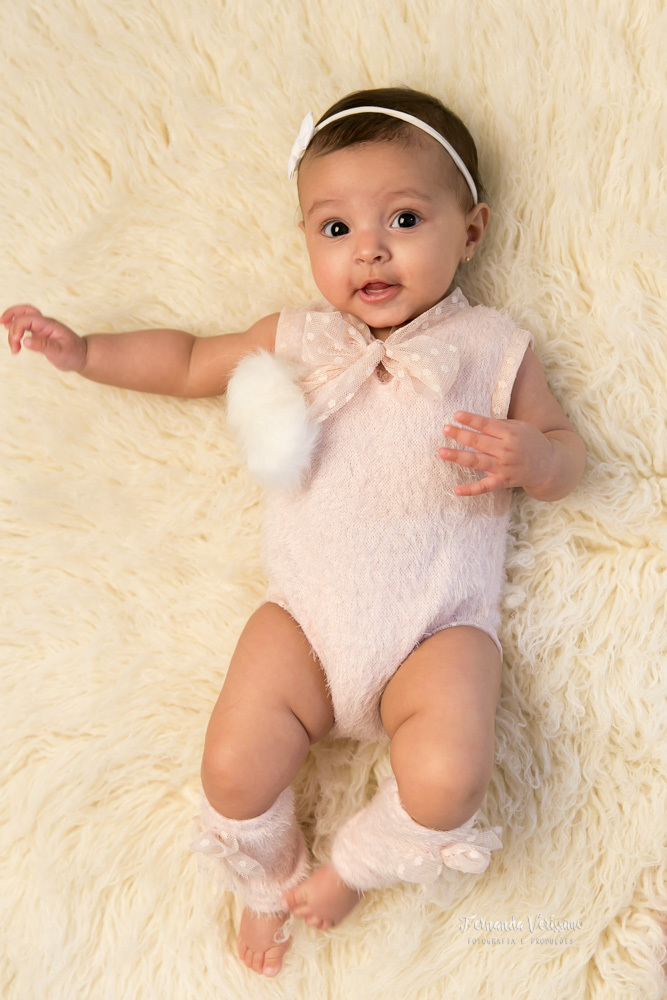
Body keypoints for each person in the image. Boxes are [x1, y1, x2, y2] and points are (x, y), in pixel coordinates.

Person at [3, 86, 586, 978]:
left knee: (449, 778)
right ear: (307, 239)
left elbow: (568, 452)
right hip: (304, 624)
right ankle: (269, 874)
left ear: (470, 232)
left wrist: (535, 458)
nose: (370, 249)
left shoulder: (492, 346)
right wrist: (85, 352)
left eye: (403, 219)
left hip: (438, 630)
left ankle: (354, 865)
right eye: (336, 228)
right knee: (233, 767)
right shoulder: (300, 335)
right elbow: (188, 360)